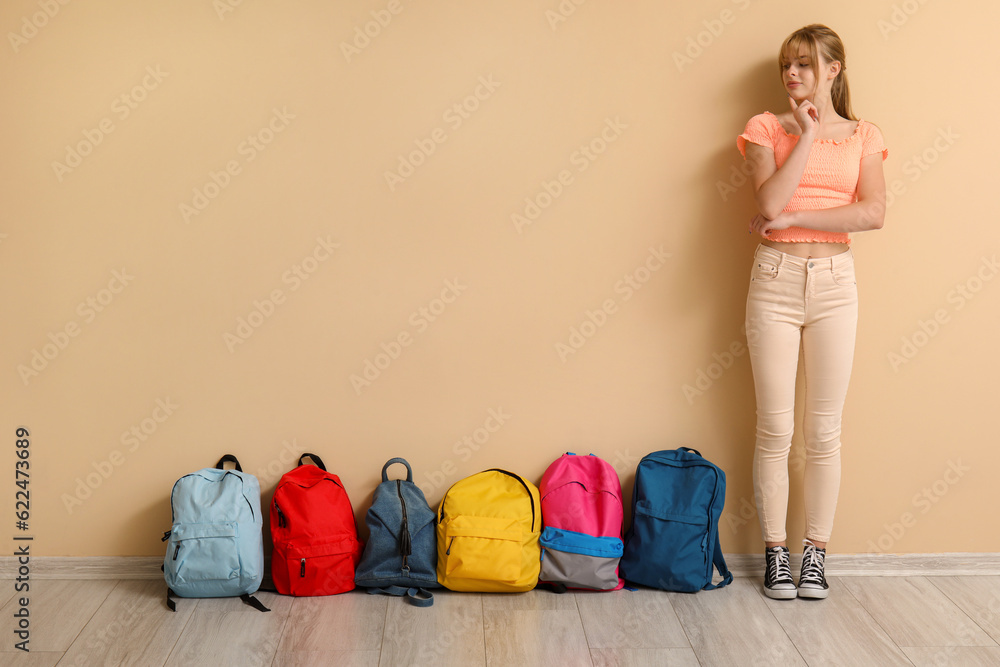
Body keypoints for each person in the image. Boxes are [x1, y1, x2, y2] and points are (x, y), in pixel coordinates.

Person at [736, 24, 887, 599]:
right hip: (774, 280)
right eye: (786, 66)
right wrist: (804, 135)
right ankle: (777, 553)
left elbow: (872, 214)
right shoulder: (764, 128)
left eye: (804, 64)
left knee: (824, 432)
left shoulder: (865, 135)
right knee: (776, 427)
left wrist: (797, 221)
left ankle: (815, 555)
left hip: (834, 283)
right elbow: (769, 202)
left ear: (834, 69)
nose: (793, 75)